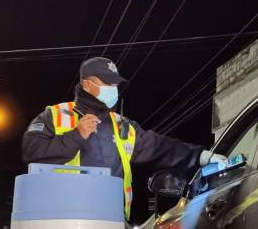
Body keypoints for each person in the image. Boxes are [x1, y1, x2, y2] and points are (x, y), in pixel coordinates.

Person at [22, 57, 225, 220]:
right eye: (107, 82)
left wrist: (202, 156)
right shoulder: (57, 115)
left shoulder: (122, 126)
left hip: (110, 220)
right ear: (87, 84)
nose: (113, 88)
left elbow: (160, 147)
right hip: (62, 219)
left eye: (115, 83)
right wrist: (76, 136)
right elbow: (32, 151)